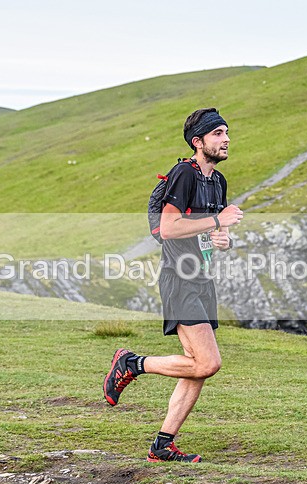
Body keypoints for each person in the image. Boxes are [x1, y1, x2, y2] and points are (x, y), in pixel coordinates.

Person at [103, 108, 244, 463]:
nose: (226, 139)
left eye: (227, 132)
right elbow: (169, 228)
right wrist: (217, 220)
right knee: (208, 363)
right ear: (198, 142)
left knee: (198, 365)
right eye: (217, 134)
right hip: (179, 278)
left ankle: (162, 445)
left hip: (202, 279)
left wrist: (221, 236)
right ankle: (132, 364)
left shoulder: (219, 181)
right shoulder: (184, 173)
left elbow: (212, 232)